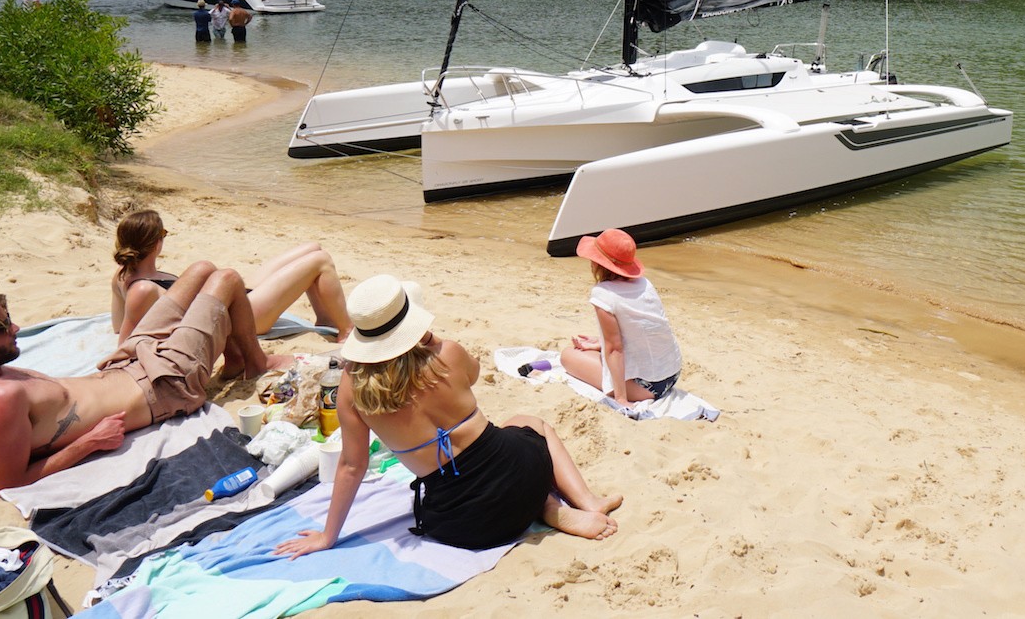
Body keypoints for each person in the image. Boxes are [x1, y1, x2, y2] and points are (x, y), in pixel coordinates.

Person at [275, 276, 620, 557]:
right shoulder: (447, 353)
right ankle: (580, 501)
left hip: (464, 524)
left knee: (492, 464)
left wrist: (327, 536)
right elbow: (472, 373)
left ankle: (546, 506)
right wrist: (432, 340)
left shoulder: (353, 388)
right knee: (529, 423)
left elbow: (352, 466)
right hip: (523, 480)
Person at [0, 265, 284, 491]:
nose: (16, 328)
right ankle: (256, 363)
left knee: (201, 270)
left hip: (123, 364)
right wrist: (89, 441)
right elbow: (9, 483)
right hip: (166, 385)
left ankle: (234, 357)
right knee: (227, 279)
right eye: (1, 327)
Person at [110, 209, 352, 342]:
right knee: (320, 262)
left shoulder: (122, 277)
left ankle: (325, 319)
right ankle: (346, 330)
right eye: (163, 233)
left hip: (232, 299)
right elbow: (125, 337)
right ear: (156, 244)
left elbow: (116, 325)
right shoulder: (143, 289)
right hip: (242, 318)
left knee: (313, 248)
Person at [557, 228, 682, 403]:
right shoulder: (645, 284)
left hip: (647, 387)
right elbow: (644, 329)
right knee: (596, 353)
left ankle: (625, 392)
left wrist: (621, 398)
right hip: (671, 374)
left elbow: (615, 349)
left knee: (568, 355)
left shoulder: (603, 294)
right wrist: (600, 343)